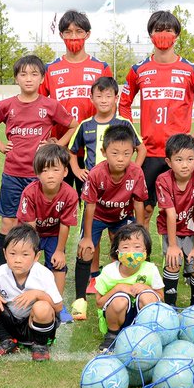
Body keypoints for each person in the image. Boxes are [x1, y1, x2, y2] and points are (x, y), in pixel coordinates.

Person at [119, 9, 194, 220]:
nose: (163, 34)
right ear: (150, 34)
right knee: (143, 211)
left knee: (182, 211)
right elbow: (124, 105)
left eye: (168, 30)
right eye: (158, 30)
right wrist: (133, 139)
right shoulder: (138, 69)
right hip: (149, 153)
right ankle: (140, 252)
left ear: (177, 34)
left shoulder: (192, 70)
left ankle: (182, 253)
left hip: (179, 153)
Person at [0, 54, 73, 267]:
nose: (28, 79)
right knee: (9, 222)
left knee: (35, 225)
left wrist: (57, 146)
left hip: (39, 178)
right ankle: (3, 270)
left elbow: (73, 125)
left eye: (34, 74)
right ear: (16, 78)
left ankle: (36, 269)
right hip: (13, 174)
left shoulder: (50, 105)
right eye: (23, 74)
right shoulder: (6, 105)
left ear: (42, 78)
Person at [75, 122, 147, 319]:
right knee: (86, 250)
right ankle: (80, 300)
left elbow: (139, 202)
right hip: (98, 215)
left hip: (122, 217)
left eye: (126, 153)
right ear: (104, 151)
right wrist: (88, 237)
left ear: (133, 151)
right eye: (115, 153)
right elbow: (89, 206)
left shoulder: (136, 172)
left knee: (129, 251)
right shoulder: (97, 173)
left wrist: (140, 232)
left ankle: (130, 289)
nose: (121, 159)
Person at [0, 224, 63, 361]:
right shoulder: (1, 272)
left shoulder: (43, 274)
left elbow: (58, 307)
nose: (18, 260)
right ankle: (7, 340)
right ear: (5, 254)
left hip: (33, 324)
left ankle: (40, 345)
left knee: (42, 307)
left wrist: (38, 294)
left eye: (25, 254)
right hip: (10, 322)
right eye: (12, 253)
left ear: (36, 256)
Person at [40, 9, 114, 193]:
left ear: (87, 34)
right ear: (61, 35)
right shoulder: (49, 69)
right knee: (55, 203)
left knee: (93, 206)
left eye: (79, 31)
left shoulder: (101, 68)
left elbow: (112, 108)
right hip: (60, 149)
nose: (74, 36)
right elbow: (40, 108)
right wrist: (47, 136)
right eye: (68, 32)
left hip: (93, 149)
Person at [16, 143, 78, 322]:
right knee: (26, 263)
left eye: (55, 169)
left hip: (53, 234)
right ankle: (23, 299)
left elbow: (65, 224)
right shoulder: (30, 192)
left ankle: (58, 304)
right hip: (30, 233)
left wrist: (60, 250)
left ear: (65, 172)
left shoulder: (70, 195)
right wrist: (32, 251)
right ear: (37, 173)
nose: (50, 175)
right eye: (44, 170)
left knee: (58, 264)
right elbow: (29, 227)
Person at [156, 133, 194, 309]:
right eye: (179, 160)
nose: (185, 165)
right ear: (169, 162)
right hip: (170, 230)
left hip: (192, 231)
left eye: (189, 159)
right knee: (172, 264)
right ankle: (170, 308)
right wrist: (172, 245)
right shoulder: (162, 181)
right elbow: (170, 214)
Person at [95, 222, 164, 352]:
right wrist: (117, 288)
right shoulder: (109, 272)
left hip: (141, 317)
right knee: (120, 299)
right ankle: (113, 335)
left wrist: (147, 287)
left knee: (147, 296)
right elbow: (99, 303)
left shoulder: (150, 269)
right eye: (125, 247)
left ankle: (147, 334)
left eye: (137, 247)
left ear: (145, 251)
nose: (131, 252)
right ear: (117, 251)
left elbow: (161, 298)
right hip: (118, 316)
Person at [68, 76, 142, 182]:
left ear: (116, 98)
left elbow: (141, 149)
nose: (103, 100)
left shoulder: (124, 123)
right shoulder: (85, 125)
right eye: (99, 96)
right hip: (92, 181)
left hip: (119, 181)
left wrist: (134, 170)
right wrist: (77, 170)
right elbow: (71, 151)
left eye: (108, 96)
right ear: (92, 98)